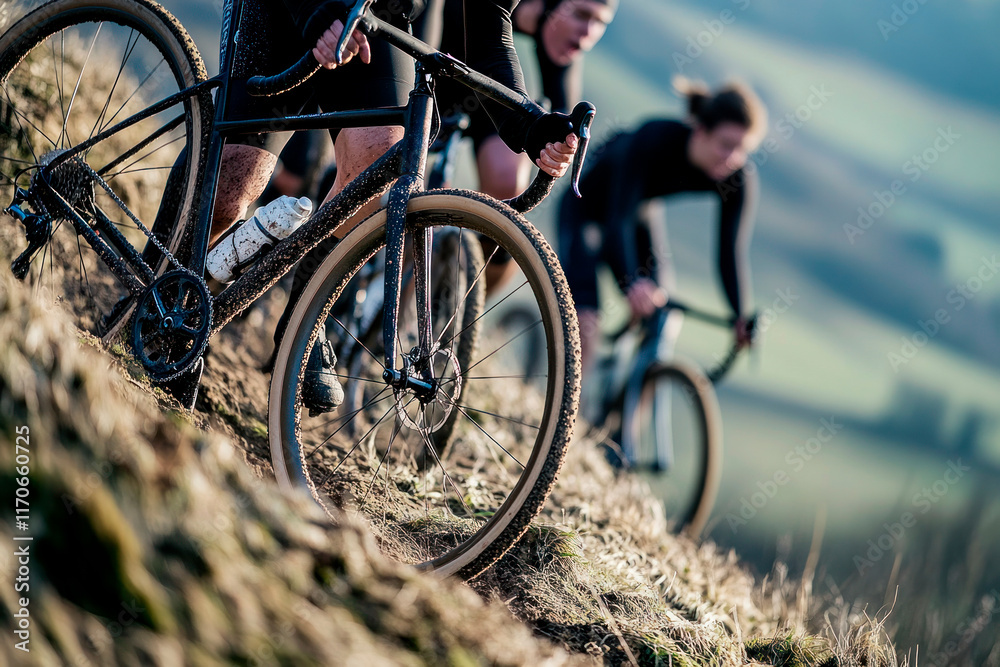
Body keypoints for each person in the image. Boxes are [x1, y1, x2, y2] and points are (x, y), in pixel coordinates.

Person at [208, 0, 581, 412]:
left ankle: (302, 330)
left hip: (376, 14)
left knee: (380, 157)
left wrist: (531, 124)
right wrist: (316, 13)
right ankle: (165, 276)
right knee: (235, 183)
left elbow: (489, 36)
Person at [557, 77, 767, 380]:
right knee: (586, 324)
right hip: (587, 211)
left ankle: (624, 417)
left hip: (636, 219)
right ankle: (566, 413)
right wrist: (632, 282)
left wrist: (739, 315)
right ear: (701, 130)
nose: (733, 159)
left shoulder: (737, 178)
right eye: (726, 145)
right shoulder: (654, 137)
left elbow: (729, 252)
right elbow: (619, 217)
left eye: (742, 150)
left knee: (663, 317)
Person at [415, 0, 615, 289]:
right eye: (582, 15)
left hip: (491, 101)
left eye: (601, 23)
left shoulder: (565, 40)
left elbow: (560, 118)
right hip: (437, 69)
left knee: (508, 186)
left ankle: (468, 308)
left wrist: (558, 147)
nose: (588, 32)